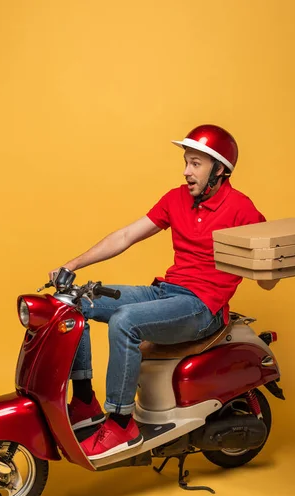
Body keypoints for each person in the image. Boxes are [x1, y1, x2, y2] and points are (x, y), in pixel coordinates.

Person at [48, 124, 277, 460]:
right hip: (166, 293)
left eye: (196, 164)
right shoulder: (176, 199)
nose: (186, 171)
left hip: (201, 306)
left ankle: (122, 421)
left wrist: (271, 268)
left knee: (125, 322)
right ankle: (84, 400)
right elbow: (126, 236)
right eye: (186, 162)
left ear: (220, 170)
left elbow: (267, 271)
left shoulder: (242, 209)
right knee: (73, 302)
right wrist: (73, 264)